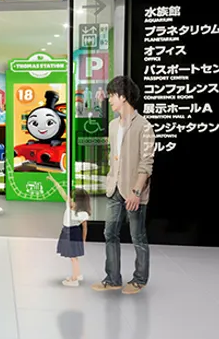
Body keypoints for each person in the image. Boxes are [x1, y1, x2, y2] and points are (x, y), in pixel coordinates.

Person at [93, 76, 155, 295]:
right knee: (110, 232)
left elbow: (146, 163)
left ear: (123, 97)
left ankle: (139, 279)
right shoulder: (112, 126)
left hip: (134, 191)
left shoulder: (144, 126)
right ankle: (113, 279)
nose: (109, 100)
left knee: (138, 236)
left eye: (112, 95)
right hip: (114, 188)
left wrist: (136, 192)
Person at [48, 174, 91, 287]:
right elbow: (62, 192)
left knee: (73, 257)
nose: (70, 200)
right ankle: (78, 274)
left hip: (73, 233)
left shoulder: (82, 213)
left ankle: (74, 279)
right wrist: (54, 181)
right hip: (66, 231)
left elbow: (85, 227)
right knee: (74, 257)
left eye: (73, 199)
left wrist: (83, 240)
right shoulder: (69, 205)